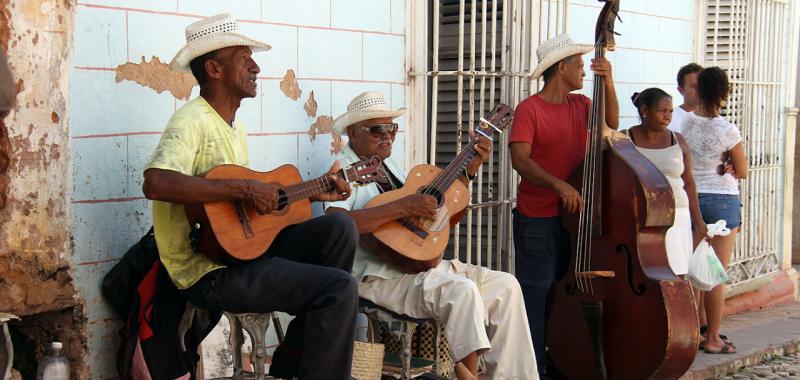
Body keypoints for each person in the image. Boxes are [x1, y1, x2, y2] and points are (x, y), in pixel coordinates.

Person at [141, 14, 359, 379]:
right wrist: (243, 188)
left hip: (239, 254)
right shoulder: (191, 121)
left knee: (339, 227)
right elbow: (156, 183)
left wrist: (316, 190)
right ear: (213, 68)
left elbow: (239, 214)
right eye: (244, 58)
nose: (256, 67)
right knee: (339, 288)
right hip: (208, 272)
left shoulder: (234, 128)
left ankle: (293, 362)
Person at [324, 91, 539, 380]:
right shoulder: (343, 169)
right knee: (461, 291)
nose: (388, 136)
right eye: (378, 130)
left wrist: (468, 172)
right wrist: (401, 206)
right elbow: (335, 222)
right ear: (353, 132)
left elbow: (432, 212)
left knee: (506, 286)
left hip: (417, 266)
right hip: (378, 277)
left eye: (393, 129)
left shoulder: (391, 166)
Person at [508, 33, 618, 376]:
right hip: (537, 218)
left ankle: (561, 367)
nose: (584, 70)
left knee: (565, 295)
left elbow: (611, 123)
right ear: (561, 67)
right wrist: (558, 185)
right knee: (537, 297)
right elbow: (520, 160)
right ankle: (533, 370)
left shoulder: (582, 104)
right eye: (580, 65)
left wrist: (608, 80)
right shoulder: (530, 109)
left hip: (575, 221)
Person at [680, 67, 748, 354]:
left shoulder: (682, 125)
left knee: (694, 271)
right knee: (716, 274)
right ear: (723, 94)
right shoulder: (727, 129)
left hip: (691, 198)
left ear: (699, 91)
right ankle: (713, 338)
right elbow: (742, 171)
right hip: (722, 199)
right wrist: (731, 164)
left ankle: (694, 332)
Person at [625, 88, 706, 275]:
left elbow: (689, 182)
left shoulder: (678, 140)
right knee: (647, 271)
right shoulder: (626, 139)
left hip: (678, 213)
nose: (668, 116)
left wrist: (698, 219)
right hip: (642, 214)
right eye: (662, 111)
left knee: (678, 269)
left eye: (670, 111)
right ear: (645, 110)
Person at [668, 63, 703, 133]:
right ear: (681, 90)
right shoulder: (670, 120)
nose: (700, 89)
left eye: (703, 84)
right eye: (694, 86)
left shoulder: (715, 118)